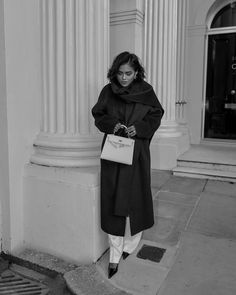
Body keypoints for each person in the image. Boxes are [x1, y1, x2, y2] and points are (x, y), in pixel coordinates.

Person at [92, 51, 164, 279]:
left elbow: (157, 114)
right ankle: (114, 253)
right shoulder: (107, 91)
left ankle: (131, 243)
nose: (124, 78)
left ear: (136, 73)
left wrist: (140, 128)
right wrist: (112, 125)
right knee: (113, 199)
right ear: (115, 72)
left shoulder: (146, 91)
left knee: (136, 196)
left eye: (128, 73)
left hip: (138, 152)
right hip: (114, 150)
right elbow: (98, 114)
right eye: (120, 73)